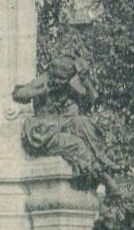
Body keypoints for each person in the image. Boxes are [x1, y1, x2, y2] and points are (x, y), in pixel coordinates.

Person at [11, 50, 112, 189]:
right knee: (78, 145)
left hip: (60, 124)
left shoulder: (68, 86)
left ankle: (102, 164)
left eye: (62, 79)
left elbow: (93, 98)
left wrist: (85, 81)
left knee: (83, 122)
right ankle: (102, 176)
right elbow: (18, 94)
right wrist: (39, 92)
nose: (58, 82)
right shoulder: (45, 80)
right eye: (57, 78)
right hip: (43, 132)